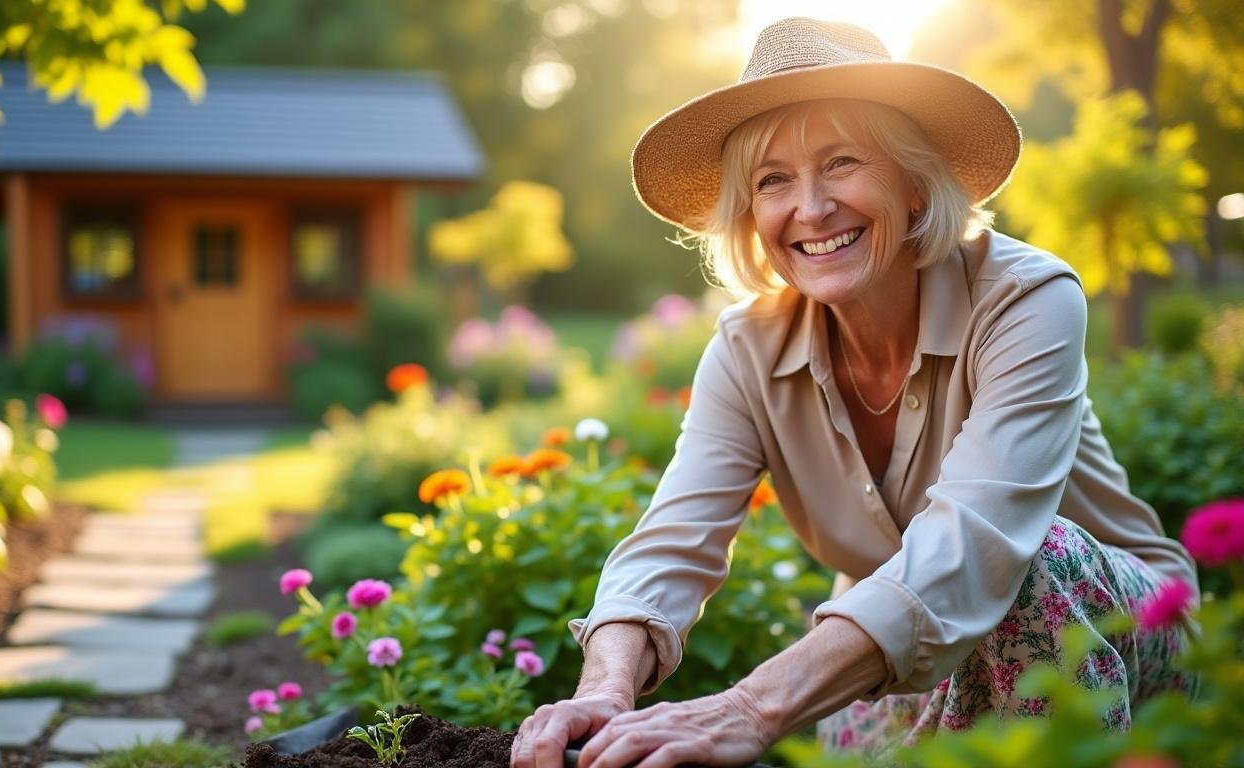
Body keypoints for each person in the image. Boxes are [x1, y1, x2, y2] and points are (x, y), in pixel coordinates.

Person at [508, 16, 1200, 768]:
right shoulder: (747, 348)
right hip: (911, 650)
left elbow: (979, 545)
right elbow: (672, 543)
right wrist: (604, 690)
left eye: (842, 163)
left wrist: (747, 707)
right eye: (773, 181)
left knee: (1035, 560)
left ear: (912, 182)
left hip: (1122, 633)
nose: (809, 208)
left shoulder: (1025, 299)